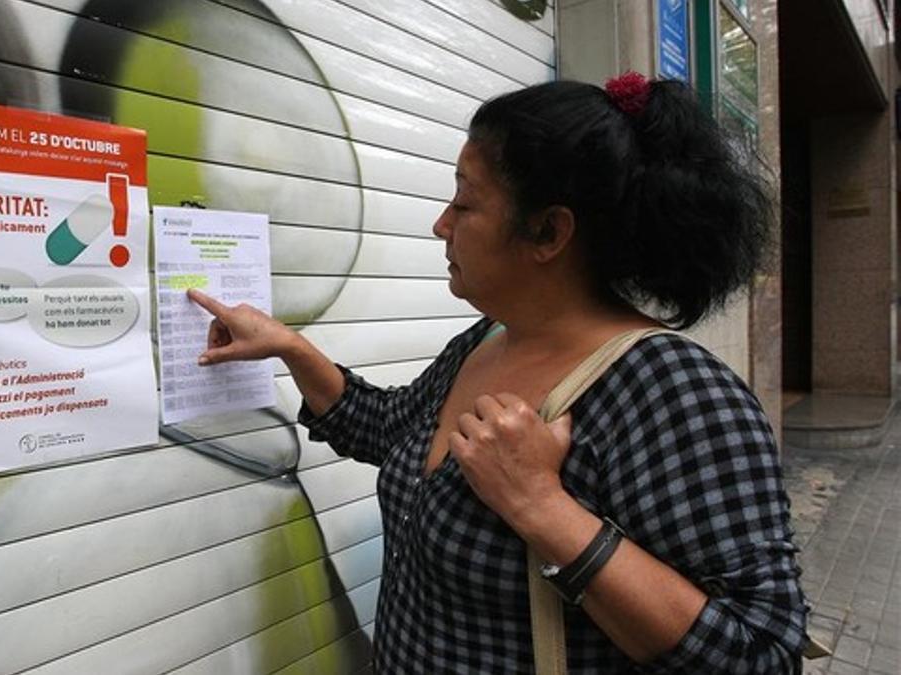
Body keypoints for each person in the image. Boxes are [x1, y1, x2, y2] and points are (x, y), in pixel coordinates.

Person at [186, 73, 809, 673]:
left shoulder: (677, 394)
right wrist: (290, 348)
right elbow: (388, 430)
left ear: (547, 231)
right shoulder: (486, 342)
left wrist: (542, 506)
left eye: (465, 202)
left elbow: (759, 649)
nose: (441, 224)